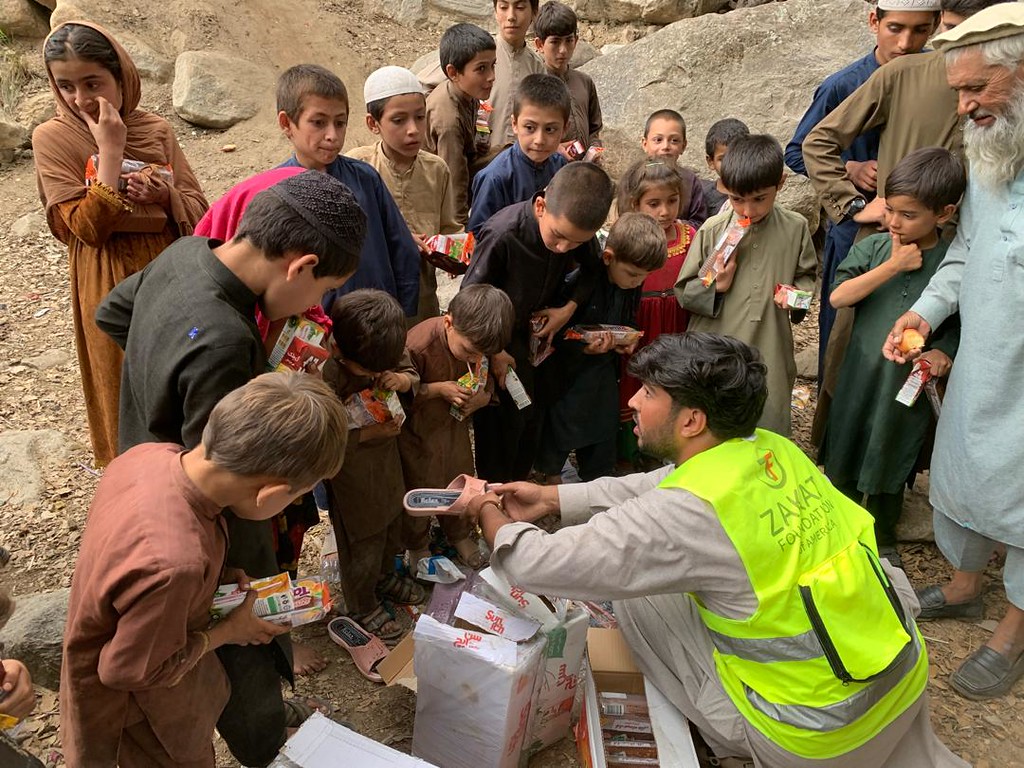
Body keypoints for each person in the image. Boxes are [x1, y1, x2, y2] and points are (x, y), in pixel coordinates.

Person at [471, 332, 968, 768]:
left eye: (648, 392)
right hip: (899, 681)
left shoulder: (686, 518)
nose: (635, 401)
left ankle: (730, 743)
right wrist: (554, 497)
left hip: (814, 736)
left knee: (634, 595)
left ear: (691, 421)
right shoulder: (773, 448)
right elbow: (667, 483)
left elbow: (534, 563)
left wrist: (485, 508)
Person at [95, 170, 365, 766]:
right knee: (243, 633)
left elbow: (113, 313)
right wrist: (259, 588)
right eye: (322, 288)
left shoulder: (188, 251)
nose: (315, 305)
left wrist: (158, 380)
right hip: (207, 523)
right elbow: (236, 488)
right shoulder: (223, 341)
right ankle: (268, 741)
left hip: (144, 470)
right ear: (300, 265)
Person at [60, 372, 348, 768]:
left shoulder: (149, 457)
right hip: (138, 725)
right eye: (296, 496)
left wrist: (216, 578)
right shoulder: (175, 564)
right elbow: (127, 670)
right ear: (273, 494)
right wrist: (229, 632)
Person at [883, 4, 1024, 700]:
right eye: (957, 92)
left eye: (977, 88)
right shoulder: (989, 147)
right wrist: (923, 309)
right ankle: (968, 585)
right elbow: (966, 252)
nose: (964, 106)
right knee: (966, 473)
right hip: (983, 360)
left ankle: (1013, 631)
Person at [32, 21, 207, 466]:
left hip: (169, 276)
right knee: (124, 385)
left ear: (122, 77)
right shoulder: (53, 138)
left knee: (181, 378)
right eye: (66, 85)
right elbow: (85, 229)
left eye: (93, 83)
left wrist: (164, 196)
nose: (80, 98)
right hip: (107, 281)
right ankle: (134, 483)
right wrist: (110, 152)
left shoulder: (156, 130)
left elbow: (199, 208)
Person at [194, 165, 331, 677]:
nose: (318, 303)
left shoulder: (275, 304)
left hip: (280, 463)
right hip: (254, 474)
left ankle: (280, 628)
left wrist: (308, 354)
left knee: (284, 546)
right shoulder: (227, 331)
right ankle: (267, 651)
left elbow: (315, 322)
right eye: (321, 286)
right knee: (253, 565)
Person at [820, 147, 964, 569]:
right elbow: (837, 295)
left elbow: (959, 324)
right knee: (847, 440)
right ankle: (837, 525)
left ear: (944, 213)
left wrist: (943, 353)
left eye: (908, 215)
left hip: (907, 384)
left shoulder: (951, 259)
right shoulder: (878, 246)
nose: (895, 222)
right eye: (891, 210)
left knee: (892, 447)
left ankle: (882, 536)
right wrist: (893, 266)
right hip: (861, 373)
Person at [785, 0, 939, 384]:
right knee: (841, 327)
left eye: (920, 31)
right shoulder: (844, 84)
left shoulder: (938, 79)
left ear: (936, 26)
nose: (906, 42)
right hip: (853, 228)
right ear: (874, 21)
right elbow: (798, 150)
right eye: (896, 28)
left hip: (914, 231)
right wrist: (849, 171)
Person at [461, 161, 615, 482]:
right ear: (541, 206)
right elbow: (470, 297)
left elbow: (592, 270)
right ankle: (495, 491)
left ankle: (522, 480)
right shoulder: (503, 234)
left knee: (533, 412)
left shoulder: (575, 230)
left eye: (574, 243)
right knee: (501, 420)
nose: (564, 248)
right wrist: (494, 351)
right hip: (498, 338)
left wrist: (568, 309)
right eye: (559, 237)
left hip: (542, 334)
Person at [675, 135, 817, 436]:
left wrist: (796, 299)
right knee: (712, 423)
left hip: (770, 345)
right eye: (737, 199)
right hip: (716, 345)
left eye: (759, 198)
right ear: (724, 188)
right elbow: (684, 292)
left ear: (780, 183)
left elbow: (807, 278)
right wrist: (716, 286)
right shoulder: (714, 230)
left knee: (767, 420)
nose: (747, 211)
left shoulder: (795, 228)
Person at [275, 64, 421, 317]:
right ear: (287, 123)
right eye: (318, 123)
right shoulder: (277, 191)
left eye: (340, 123)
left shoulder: (365, 179)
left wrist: (404, 315)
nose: (332, 135)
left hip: (379, 321)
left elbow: (402, 249)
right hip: (319, 330)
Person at [322, 290, 423, 644]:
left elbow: (411, 372)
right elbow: (323, 440)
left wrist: (402, 380)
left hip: (388, 464)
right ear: (338, 350)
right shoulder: (327, 373)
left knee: (390, 524)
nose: (378, 374)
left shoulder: (386, 346)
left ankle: (383, 577)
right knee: (363, 540)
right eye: (369, 371)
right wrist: (370, 433)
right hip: (352, 476)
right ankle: (362, 604)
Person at [536, 212, 666, 484]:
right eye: (632, 274)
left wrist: (625, 342)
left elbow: (628, 319)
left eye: (644, 277)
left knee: (602, 432)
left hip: (603, 374)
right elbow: (550, 336)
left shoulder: (630, 284)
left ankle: (598, 480)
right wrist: (583, 349)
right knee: (558, 433)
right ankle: (550, 478)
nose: (637, 283)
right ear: (608, 257)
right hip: (565, 377)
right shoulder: (578, 283)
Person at [400, 284, 515, 571]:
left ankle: (459, 534)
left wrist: (482, 398)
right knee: (419, 487)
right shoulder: (418, 345)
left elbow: (484, 376)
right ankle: (417, 545)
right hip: (418, 434)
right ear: (449, 323)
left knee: (460, 481)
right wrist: (438, 390)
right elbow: (398, 395)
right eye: (470, 351)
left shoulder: (478, 347)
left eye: (483, 354)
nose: (475, 359)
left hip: (454, 430)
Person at [347, 66, 462, 324]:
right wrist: (397, 238)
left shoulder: (437, 170)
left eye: (420, 117)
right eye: (399, 120)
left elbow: (448, 230)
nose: (413, 129)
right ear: (373, 124)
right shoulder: (357, 169)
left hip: (421, 301)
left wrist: (451, 253)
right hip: (369, 299)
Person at [614, 160, 697, 467]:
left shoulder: (690, 236)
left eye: (672, 201)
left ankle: (662, 451)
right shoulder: (625, 236)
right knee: (634, 386)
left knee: (669, 388)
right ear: (635, 204)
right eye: (654, 203)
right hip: (641, 330)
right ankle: (627, 453)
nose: (664, 211)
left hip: (675, 327)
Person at [468, 73, 570, 235]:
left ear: (565, 129)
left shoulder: (561, 168)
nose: (539, 140)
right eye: (530, 128)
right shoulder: (495, 178)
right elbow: (478, 236)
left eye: (550, 129)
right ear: (514, 124)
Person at [425, 23, 497, 225]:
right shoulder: (449, 120)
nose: (491, 77)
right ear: (453, 72)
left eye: (493, 65)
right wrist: (459, 229)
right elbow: (453, 182)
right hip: (436, 195)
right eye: (481, 68)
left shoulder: (467, 93)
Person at [532, 0, 602, 155]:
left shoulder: (585, 82)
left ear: (576, 41)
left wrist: (594, 149)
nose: (563, 50)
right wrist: (555, 149)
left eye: (568, 41)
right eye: (555, 42)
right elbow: (528, 133)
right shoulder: (534, 87)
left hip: (584, 168)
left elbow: (595, 128)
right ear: (539, 45)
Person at [487, 0, 546, 154]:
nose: (511, 16)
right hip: (478, 162)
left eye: (519, 8)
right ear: (495, 12)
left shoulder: (537, 66)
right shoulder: (479, 53)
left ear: (534, 12)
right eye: (504, 7)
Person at [640, 109, 708, 228]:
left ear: (684, 146)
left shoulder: (690, 181)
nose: (666, 146)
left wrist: (676, 226)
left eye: (674, 141)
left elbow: (700, 223)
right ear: (645, 144)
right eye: (658, 140)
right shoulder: (637, 177)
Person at [702, 117, 749, 217]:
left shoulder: (756, 192)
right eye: (723, 159)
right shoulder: (702, 197)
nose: (731, 163)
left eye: (737, 156)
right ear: (711, 161)